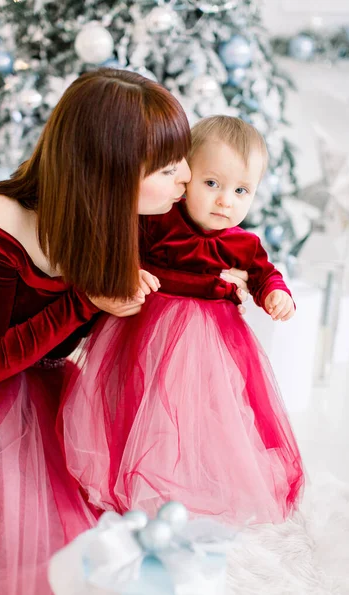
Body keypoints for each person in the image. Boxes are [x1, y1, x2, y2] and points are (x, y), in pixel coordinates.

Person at [0, 71, 248, 595]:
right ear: (111, 175)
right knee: (24, 540)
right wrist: (83, 302)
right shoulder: (5, 221)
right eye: (167, 168)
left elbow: (186, 266)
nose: (187, 176)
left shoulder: (137, 217)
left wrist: (227, 281)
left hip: (53, 380)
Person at [60, 116, 304, 526]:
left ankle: (188, 482)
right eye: (212, 184)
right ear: (185, 178)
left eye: (241, 190)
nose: (226, 201)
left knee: (201, 413)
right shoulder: (159, 222)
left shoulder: (244, 243)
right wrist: (129, 271)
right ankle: (131, 477)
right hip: (145, 332)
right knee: (137, 404)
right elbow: (123, 252)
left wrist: (276, 293)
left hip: (212, 344)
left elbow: (264, 273)